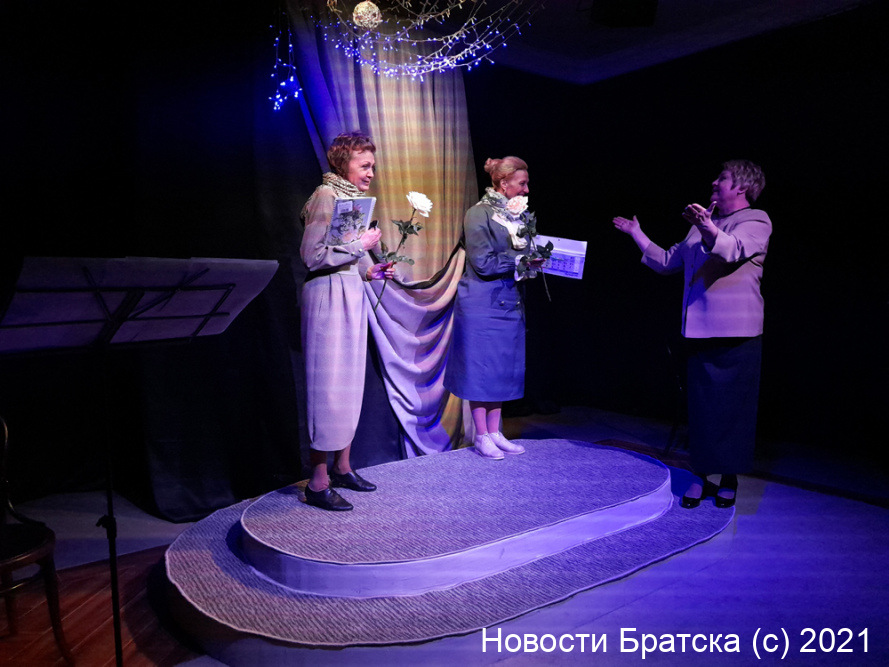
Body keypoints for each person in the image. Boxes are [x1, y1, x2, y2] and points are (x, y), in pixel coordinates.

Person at [613, 160, 771, 509]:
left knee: (732, 410)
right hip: (699, 332)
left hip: (737, 333)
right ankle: (700, 474)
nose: (714, 181)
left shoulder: (755, 220)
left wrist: (706, 226)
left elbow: (731, 249)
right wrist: (637, 233)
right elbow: (668, 261)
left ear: (742, 187)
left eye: (723, 178)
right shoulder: (701, 225)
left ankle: (728, 478)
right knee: (701, 410)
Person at [299, 131, 395, 511]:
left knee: (350, 383)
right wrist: (361, 246)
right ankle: (317, 482)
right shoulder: (326, 195)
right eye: (364, 165)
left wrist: (371, 271)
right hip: (326, 295)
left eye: (373, 166)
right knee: (328, 387)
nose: (371, 172)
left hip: (351, 291)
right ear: (343, 162)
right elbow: (312, 256)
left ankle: (342, 467)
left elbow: (348, 260)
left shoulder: (355, 200)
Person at [444, 156, 544, 459]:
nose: (526, 190)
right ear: (503, 183)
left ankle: (495, 431)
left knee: (500, 368)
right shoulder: (478, 213)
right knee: (482, 369)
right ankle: (481, 435)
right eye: (522, 183)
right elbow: (483, 262)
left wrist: (535, 260)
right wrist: (521, 260)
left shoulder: (518, 217)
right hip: (482, 303)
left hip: (509, 302)